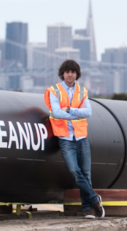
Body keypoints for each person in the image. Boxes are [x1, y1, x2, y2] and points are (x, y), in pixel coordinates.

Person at [44, 59, 105, 219]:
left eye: (72, 72)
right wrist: (77, 112)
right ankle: (94, 199)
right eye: (67, 72)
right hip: (65, 138)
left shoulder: (82, 91)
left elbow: (89, 112)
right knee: (74, 171)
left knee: (86, 173)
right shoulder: (53, 91)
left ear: (76, 74)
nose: (70, 75)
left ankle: (87, 209)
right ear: (62, 74)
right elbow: (56, 112)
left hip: (81, 137)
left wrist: (70, 110)